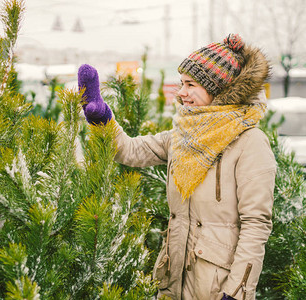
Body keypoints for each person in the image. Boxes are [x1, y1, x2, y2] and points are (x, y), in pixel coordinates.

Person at [78, 33, 276, 300]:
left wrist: (237, 291)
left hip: (216, 288)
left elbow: (256, 225)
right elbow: (130, 150)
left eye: (190, 84)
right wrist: (102, 118)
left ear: (218, 89)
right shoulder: (183, 136)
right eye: (181, 83)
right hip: (173, 281)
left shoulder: (249, 142)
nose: (181, 92)